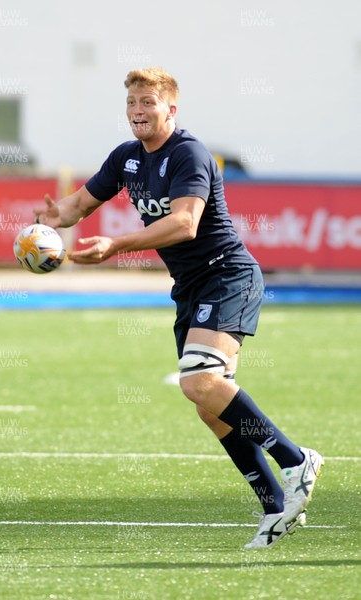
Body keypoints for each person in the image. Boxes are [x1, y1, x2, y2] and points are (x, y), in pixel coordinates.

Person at [34, 67, 323, 548]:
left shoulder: (189, 154)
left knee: (199, 380)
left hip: (226, 274)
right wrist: (50, 220)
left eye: (148, 103)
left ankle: (295, 460)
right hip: (191, 286)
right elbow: (79, 204)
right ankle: (277, 507)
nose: (137, 112)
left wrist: (117, 245)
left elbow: (185, 223)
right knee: (209, 406)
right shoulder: (127, 158)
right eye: (131, 104)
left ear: (171, 108)